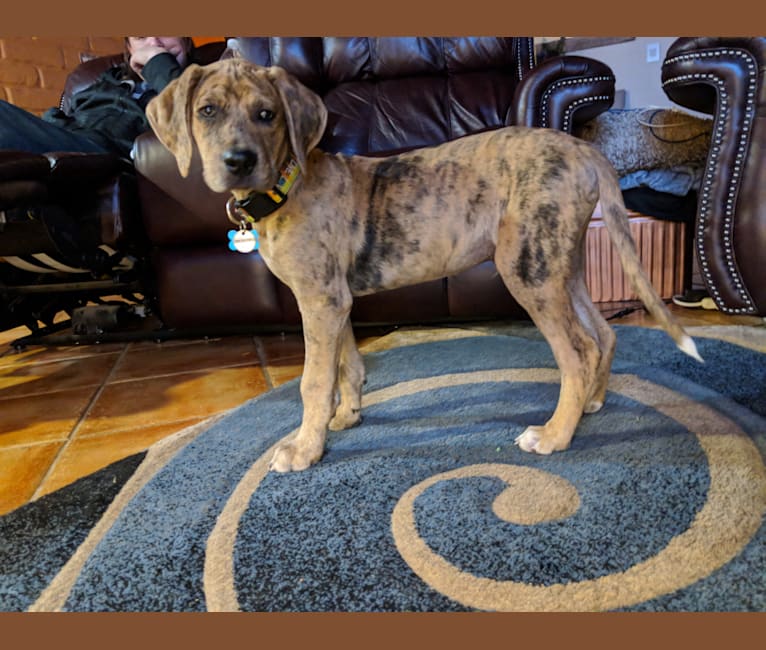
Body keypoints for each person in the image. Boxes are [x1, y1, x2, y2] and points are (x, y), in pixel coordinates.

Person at [0, 36, 194, 159]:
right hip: (66, 141)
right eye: (141, 37)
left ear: (185, 39)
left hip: (110, 153)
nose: (154, 44)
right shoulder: (105, 81)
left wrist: (158, 64)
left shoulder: (206, 80)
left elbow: (198, 114)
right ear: (130, 49)